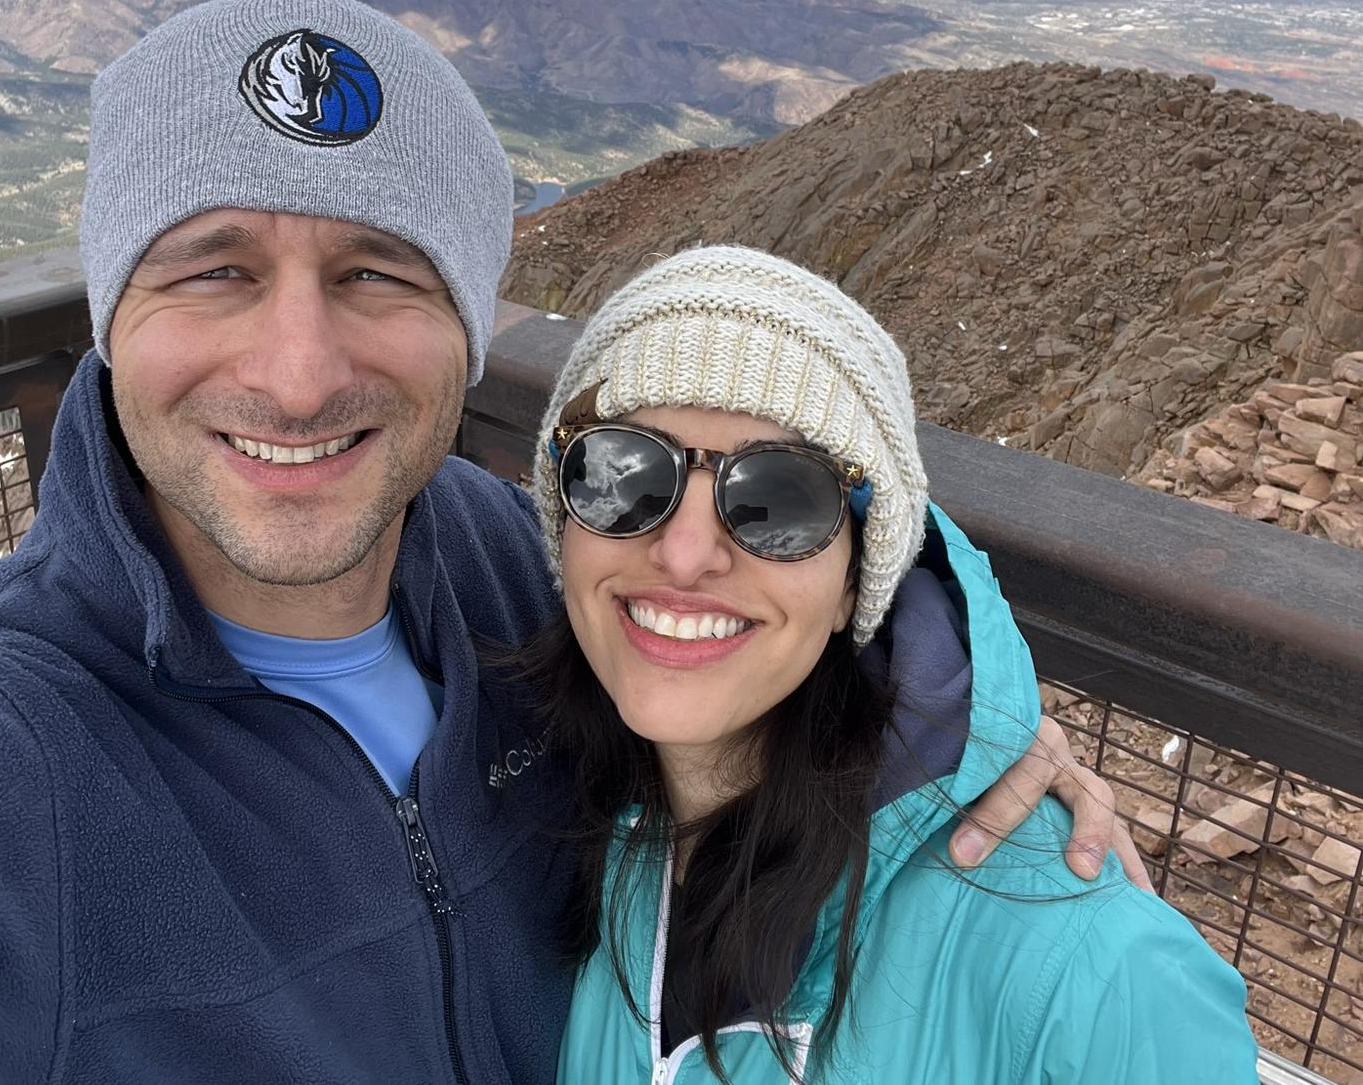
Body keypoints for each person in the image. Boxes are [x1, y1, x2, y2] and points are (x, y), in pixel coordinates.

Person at [0, 0, 1139, 1084]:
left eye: (378, 272)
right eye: (215, 268)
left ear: (467, 330)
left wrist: (958, 745)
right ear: (113, 312)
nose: (300, 376)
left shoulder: (510, 559)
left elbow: (760, 591)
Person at [529, 246, 1259, 1083]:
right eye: (622, 473)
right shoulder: (555, 800)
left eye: (780, 499)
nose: (687, 554)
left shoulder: (1090, 975)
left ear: (856, 584)